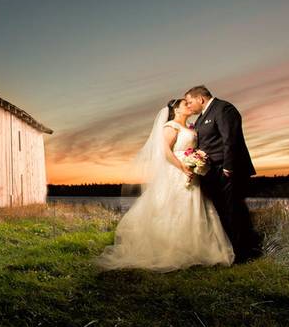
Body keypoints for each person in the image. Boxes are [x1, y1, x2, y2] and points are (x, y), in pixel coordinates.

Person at [93, 98, 234, 272]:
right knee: (175, 207)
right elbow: (166, 151)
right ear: (176, 109)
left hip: (191, 170)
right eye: (185, 104)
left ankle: (198, 249)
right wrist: (182, 167)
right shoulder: (171, 127)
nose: (189, 106)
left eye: (189, 104)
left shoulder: (190, 127)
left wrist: (198, 159)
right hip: (177, 170)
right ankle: (171, 248)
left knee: (196, 206)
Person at [182, 85, 261, 262]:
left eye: (190, 102)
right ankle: (231, 250)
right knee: (222, 211)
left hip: (227, 170)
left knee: (233, 210)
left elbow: (230, 139)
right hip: (211, 171)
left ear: (200, 99)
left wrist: (229, 167)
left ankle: (243, 254)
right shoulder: (202, 117)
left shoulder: (224, 109)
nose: (189, 106)